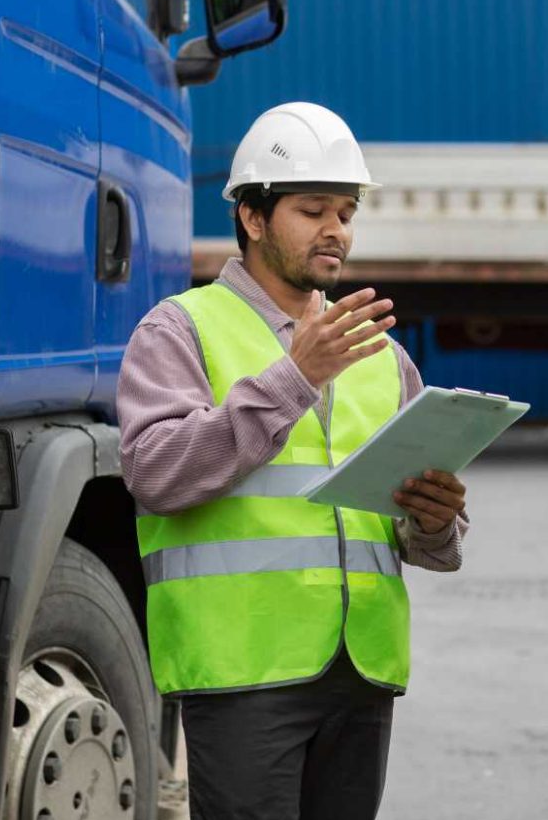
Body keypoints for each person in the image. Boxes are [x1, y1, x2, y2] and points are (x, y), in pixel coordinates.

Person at [118, 102, 469, 820]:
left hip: (361, 671)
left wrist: (434, 523)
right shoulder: (178, 330)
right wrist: (293, 379)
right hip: (242, 670)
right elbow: (156, 472)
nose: (336, 230)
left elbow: (427, 542)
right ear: (252, 216)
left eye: (345, 211)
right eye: (313, 210)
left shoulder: (383, 355)